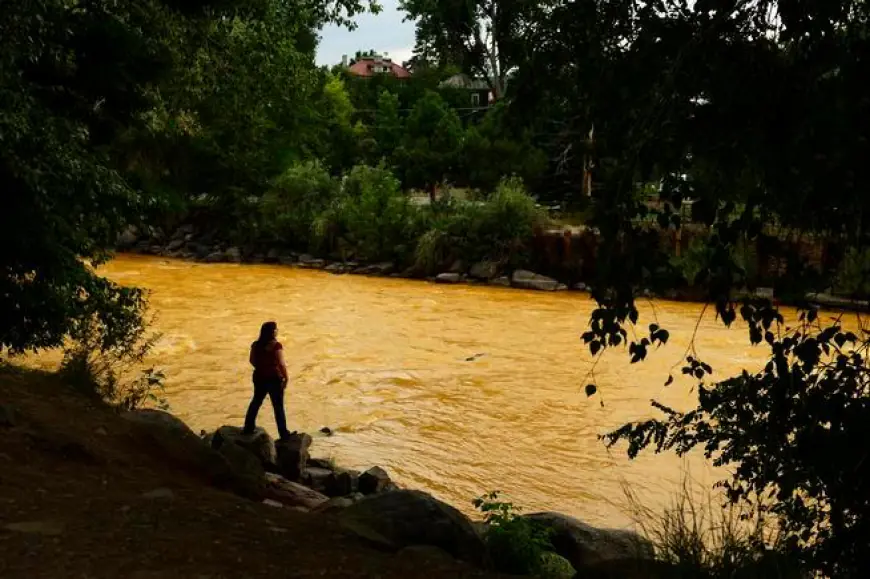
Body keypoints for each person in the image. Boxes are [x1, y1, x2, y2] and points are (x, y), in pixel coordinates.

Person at [243, 321, 292, 440]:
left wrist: (261, 367)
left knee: (256, 401)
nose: (277, 331)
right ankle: (283, 434)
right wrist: (286, 377)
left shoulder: (255, 345)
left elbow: (252, 360)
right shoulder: (276, 346)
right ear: (272, 332)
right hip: (274, 378)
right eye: (276, 329)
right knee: (278, 407)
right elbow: (281, 364)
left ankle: (248, 427)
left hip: (259, 377)